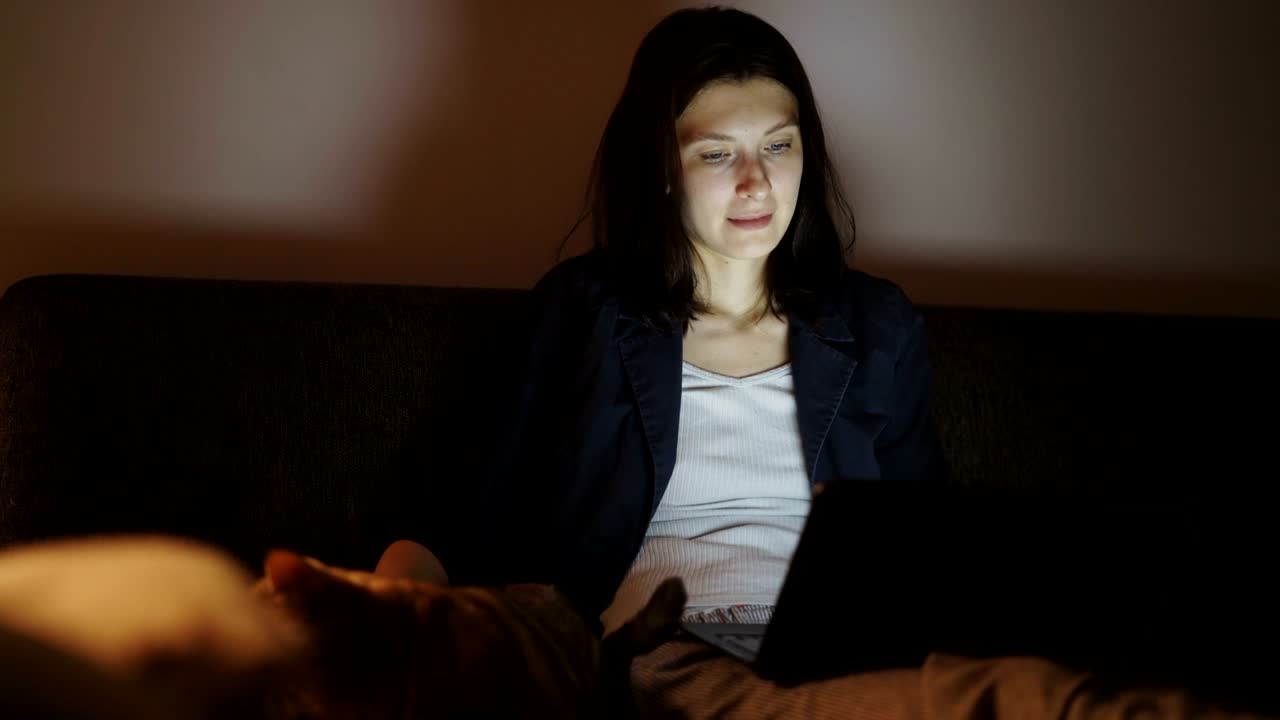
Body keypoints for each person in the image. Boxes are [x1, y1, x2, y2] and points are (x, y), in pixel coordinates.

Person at [370, 7, 1250, 719]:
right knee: (1014, 704)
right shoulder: (586, 314)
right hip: (664, 650)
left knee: (1035, 689)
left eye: (779, 146)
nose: (757, 183)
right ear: (664, 171)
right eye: (718, 154)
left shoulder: (873, 326)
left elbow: (924, 544)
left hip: (840, 648)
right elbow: (458, 510)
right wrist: (394, 614)